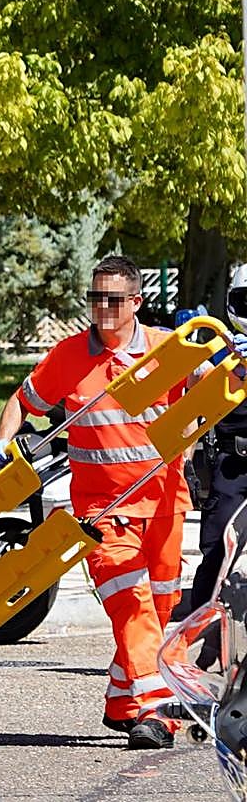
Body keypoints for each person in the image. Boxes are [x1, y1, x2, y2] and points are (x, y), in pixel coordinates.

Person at [0, 255, 193, 750]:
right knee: (132, 603)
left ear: (136, 303)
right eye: (95, 297)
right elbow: (23, 400)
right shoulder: (68, 356)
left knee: (159, 609)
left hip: (165, 506)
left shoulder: (167, 351)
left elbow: (224, 387)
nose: (102, 308)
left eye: (113, 299)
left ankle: (123, 701)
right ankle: (157, 711)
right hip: (101, 513)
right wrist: (5, 439)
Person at [190, 267, 247, 667]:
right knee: (216, 552)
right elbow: (190, 409)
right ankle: (208, 638)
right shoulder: (213, 351)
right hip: (229, 464)